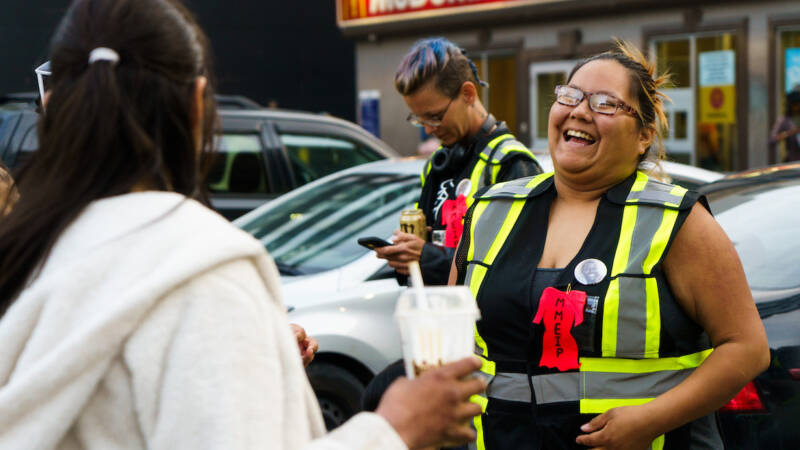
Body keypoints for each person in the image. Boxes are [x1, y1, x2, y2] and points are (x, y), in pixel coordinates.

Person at [0, 1, 486, 449]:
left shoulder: (31, 247)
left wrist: (259, 355)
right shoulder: (193, 267)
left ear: (52, 105)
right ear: (197, 102)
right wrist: (392, 429)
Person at [449, 41, 769, 449]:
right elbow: (451, 331)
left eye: (605, 103)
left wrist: (651, 419)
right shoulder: (492, 209)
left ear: (643, 137)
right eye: (570, 96)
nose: (580, 111)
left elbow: (746, 348)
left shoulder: (678, 222)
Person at [375, 37, 541, 285]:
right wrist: (406, 256)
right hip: (435, 316)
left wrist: (429, 258)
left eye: (434, 116)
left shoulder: (511, 163)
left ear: (468, 94)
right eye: (420, 120)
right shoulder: (437, 165)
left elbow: (518, 268)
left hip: (480, 322)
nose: (429, 130)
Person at [769, 88, 800, 162]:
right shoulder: (784, 120)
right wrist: (789, 133)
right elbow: (772, 140)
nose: (797, 107)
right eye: (795, 105)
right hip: (792, 161)